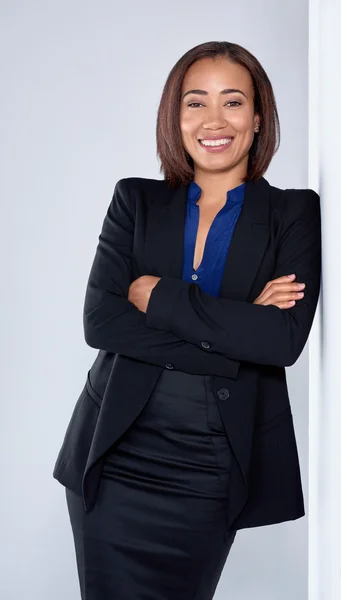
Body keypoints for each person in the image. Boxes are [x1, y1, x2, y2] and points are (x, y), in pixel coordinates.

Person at [53, 40, 321, 599]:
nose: (214, 121)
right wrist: (235, 333)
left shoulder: (294, 212)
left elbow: (281, 341)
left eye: (233, 102)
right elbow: (101, 323)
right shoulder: (136, 202)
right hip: (115, 457)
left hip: (211, 468)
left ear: (258, 116)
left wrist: (162, 299)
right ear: (173, 117)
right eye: (195, 103)